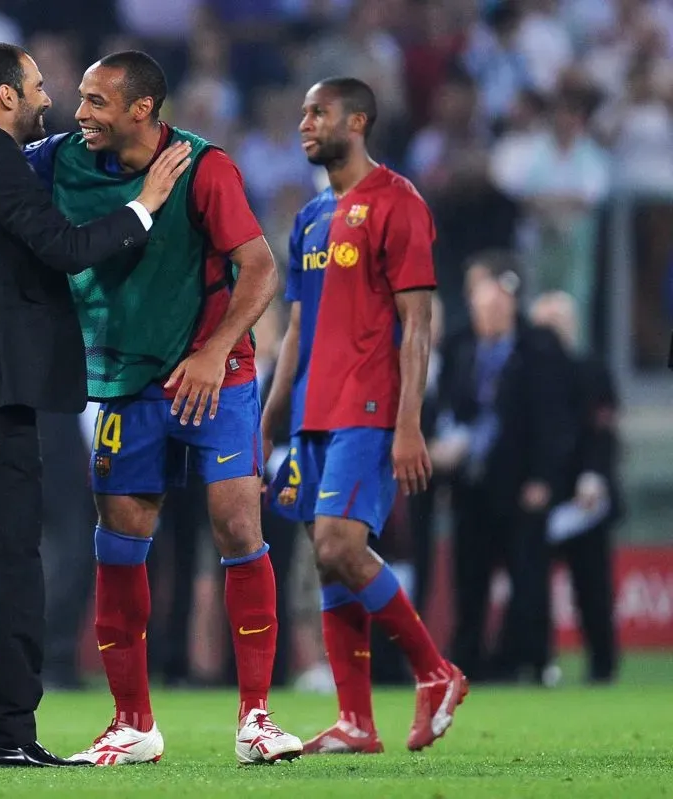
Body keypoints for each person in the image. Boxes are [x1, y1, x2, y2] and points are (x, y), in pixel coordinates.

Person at [0, 50, 302, 766]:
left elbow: (261, 266)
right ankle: (131, 721)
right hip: (125, 379)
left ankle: (257, 718)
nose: (74, 110)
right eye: (70, 96)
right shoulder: (62, 157)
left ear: (141, 110)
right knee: (119, 535)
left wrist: (214, 352)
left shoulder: (204, 167)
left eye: (94, 101)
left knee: (239, 523)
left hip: (215, 372)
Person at [0, 43, 190, 770]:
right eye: (36, 87)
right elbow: (64, 247)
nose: (48, 98)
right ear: (6, 97)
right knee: (8, 568)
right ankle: (7, 732)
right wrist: (145, 207)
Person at [262, 77, 466, 755]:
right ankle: (356, 721)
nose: (305, 123)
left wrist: (409, 423)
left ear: (358, 119)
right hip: (314, 413)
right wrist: (272, 413)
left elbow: (418, 324)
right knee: (327, 564)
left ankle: (434, 672)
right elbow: (296, 327)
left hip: (370, 407)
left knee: (339, 545)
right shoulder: (311, 216)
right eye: (302, 112)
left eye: (317, 112)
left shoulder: (398, 202)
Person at [434, 252, 575, 684]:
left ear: (511, 304)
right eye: (481, 305)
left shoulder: (538, 347)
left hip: (519, 482)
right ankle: (470, 661)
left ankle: (530, 661)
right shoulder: (459, 346)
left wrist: (544, 478)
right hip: (469, 484)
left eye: (496, 305)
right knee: (470, 579)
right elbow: (444, 404)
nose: (488, 313)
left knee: (527, 578)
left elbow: (554, 418)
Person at [530, 291, 620, 684]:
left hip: (584, 498)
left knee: (593, 586)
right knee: (531, 586)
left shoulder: (592, 369)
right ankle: (537, 662)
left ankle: (603, 664)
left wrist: (593, 476)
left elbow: (603, 432)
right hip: (541, 495)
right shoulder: (527, 375)